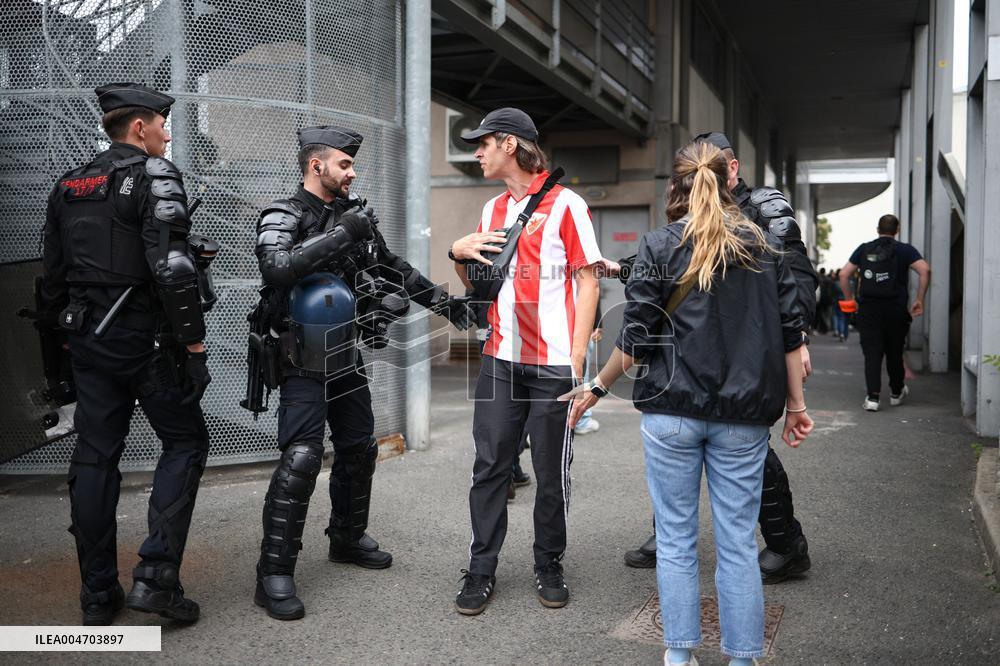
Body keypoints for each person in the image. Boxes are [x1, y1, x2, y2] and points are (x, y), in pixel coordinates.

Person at [564, 140, 812, 666]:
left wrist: (597, 388)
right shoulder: (764, 246)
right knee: (739, 544)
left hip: (671, 413)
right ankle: (742, 658)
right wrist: (796, 405)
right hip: (744, 418)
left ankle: (679, 656)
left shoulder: (659, 245)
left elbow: (636, 339)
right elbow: (791, 333)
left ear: (676, 187)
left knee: (676, 542)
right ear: (729, 182)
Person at [252, 126, 474, 620]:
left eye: (353, 165)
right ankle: (273, 573)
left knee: (358, 447)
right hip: (299, 358)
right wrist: (340, 235)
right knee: (303, 457)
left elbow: (393, 267)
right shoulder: (282, 214)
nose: (353, 173)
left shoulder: (354, 219)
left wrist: (444, 304)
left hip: (345, 354)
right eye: (344, 165)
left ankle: (346, 539)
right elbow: (276, 268)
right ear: (317, 166)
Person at [39, 83, 213, 625]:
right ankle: (156, 581)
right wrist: (194, 345)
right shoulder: (154, 173)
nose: (167, 133)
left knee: (95, 457)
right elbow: (172, 270)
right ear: (139, 128)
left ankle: (97, 595)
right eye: (163, 123)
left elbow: (50, 284)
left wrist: (58, 367)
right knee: (186, 441)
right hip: (147, 342)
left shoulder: (70, 184)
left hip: (87, 341)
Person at [624, 131, 817, 585]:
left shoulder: (766, 210)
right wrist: (619, 266)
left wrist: (797, 337)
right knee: (685, 437)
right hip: (698, 351)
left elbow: (794, 272)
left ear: (733, 168)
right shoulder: (688, 216)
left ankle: (787, 542)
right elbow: (675, 256)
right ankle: (669, 531)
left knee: (748, 447)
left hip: (749, 349)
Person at [448, 107, 602, 615]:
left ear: (509, 145)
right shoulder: (492, 210)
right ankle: (481, 568)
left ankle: (548, 562)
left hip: (553, 365)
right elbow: (482, 287)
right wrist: (460, 254)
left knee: (550, 470)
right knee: (489, 466)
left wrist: (576, 361)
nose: (477, 152)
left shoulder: (567, 205)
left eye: (483, 143)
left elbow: (587, 279)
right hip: (499, 358)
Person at [839, 214, 930, 412]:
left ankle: (873, 398)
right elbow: (925, 270)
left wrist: (850, 301)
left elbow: (844, 274)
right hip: (895, 310)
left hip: (869, 310)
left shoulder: (864, 248)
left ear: (877, 229)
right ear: (897, 229)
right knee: (895, 352)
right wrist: (920, 300)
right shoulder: (905, 250)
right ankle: (896, 392)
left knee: (872, 354)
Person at [830, 269, 850, 341]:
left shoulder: (836, 283)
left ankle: (841, 333)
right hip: (848, 302)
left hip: (838, 301)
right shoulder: (850, 282)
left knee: (840, 318)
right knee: (847, 320)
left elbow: (832, 294)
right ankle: (845, 334)